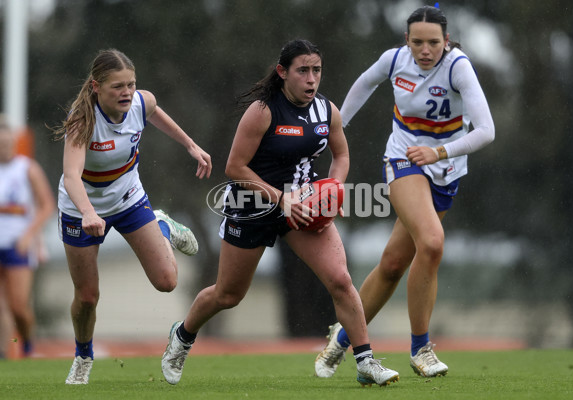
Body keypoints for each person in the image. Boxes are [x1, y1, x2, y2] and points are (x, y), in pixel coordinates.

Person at [161, 39, 399, 387]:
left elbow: (342, 155)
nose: (311, 78)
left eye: (316, 70)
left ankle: (365, 361)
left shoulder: (327, 111)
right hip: (252, 205)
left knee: (341, 281)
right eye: (303, 70)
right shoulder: (263, 110)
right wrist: (280, 200)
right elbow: (235, 167)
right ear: (282, 72)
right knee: (228, 294)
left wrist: (333, 188)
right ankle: (182, 337)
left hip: (303, 206)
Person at [314, 5, 495, 378]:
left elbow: (486, 130)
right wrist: (337, 128)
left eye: (433, 43)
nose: (424, 50)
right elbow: (365, 83)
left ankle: (344, 336)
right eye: (417, 42)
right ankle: (421, 349)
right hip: (402, 162)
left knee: (394, 264)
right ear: (406, 41)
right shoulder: (395, 60)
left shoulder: (458, 67)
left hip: (445, 168)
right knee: (431, 242)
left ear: (446, 41)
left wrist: (439, 151)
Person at [53, 49, 212, 384]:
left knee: (167, 281)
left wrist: (190, 145)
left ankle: (163, 224)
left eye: (131, 84)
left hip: (128, 200)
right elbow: (71, 175)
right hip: (81, 210)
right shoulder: (83, 120)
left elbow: (155, 112)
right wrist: (87, 213)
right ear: (96, 86)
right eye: (117, 87)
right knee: (86, 297)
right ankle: (83, 356)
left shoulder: (141, 101)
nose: (127, 92)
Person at [0, 117, 55, 358]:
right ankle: (2, 351)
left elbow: (46, 206)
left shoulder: (27, 168)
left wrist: (29, 235)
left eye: (6, 142)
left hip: (18, 245)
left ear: (13, 141)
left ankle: (28, 345)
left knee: (18, 306)